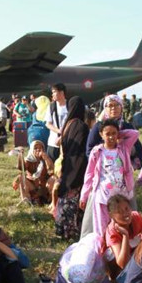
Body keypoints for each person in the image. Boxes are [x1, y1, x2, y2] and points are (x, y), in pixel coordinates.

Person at [80, 118, 139, 238]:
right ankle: (102, 247)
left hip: (120, 195)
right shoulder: (97, 152)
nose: (111, 137)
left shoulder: (123, 148)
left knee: (120, 224)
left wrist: (118, 133)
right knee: (101, 228)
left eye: (114, 133)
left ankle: (117, 246)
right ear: (101, 134)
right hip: (102, 196)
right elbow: (89, 174)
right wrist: (84, 195)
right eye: (107, 134)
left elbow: (135, 133)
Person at [54, 96, 89, 241]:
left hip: (67, 165)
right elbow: (81, 150)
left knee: (66, 198)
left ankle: (61, 229)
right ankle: (72, 232)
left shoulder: (68, 124)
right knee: (74, 199)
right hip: (77, 167)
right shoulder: (81, 126)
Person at [104, 194, 142, 271]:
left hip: (137, 258)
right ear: (111, 215)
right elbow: (122, 264)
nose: (125, 214)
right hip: (119, 268)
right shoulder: (112, 231)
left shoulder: (136, 217)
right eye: (119, 212)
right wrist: (125, 235)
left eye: (127, 209)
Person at [12, 140, 54, 205]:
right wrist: (20, 155)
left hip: (44, 186)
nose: (38, 150)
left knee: (53, 178)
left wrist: (46, 158)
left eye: (40, 148)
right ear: (32, 150)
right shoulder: (29, 160)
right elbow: (21, 168)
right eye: (35, 148)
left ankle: (46, 199)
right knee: (20, 177)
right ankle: (26, 199)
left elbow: (51, 168)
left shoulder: (45, 159)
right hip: (33, 186)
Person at [46, 83, 68, 161]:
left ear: (61, 92)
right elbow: (48, 124)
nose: (52, 94)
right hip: (53, 143)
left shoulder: (70, 106)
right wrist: (59, 131)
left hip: (67, 143)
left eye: (54, 92)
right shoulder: (51, 106)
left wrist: (64, 133)